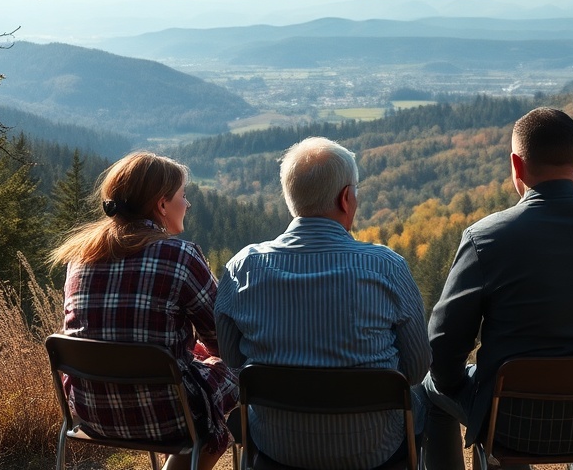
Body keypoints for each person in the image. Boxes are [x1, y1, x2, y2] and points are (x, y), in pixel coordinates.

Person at [422, 107, 573, 469]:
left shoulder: (486, 238)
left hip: (515, 424)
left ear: (516, 166)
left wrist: (466, 393)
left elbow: (443, 343)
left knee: (431, 389)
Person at [215, 136, 430, 470]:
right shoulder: (387, 267)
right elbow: (416, 369)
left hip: (277, 448)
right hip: (374, 451)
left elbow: (232, 358)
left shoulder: (242, 267)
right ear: (346, 198)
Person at [49, 151, 237, 470]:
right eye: (183, 195)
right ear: (162, 204)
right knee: (234, 368)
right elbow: (224, 341)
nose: (187, 204)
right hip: (165, 415)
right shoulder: (180, 257)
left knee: (191, 370)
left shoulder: (79, 258)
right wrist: (210, 354)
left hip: (88, 410)